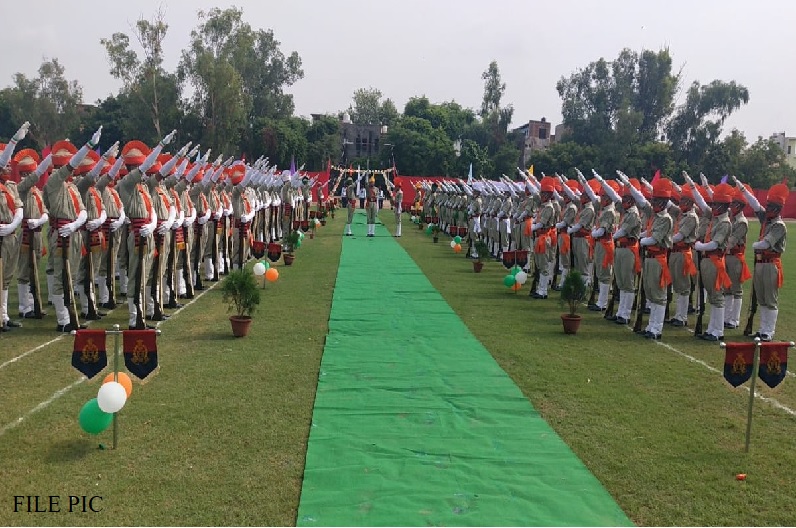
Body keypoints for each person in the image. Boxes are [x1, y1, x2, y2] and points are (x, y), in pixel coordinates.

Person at [738, 179, 788, 341]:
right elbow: (755, 205)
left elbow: (766, 243)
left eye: (771, 207)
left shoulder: (779, 225)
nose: (767, 209)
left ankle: (769, 331)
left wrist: (755, 245)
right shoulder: (767, 220)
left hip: (771, 264)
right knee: (761, 298)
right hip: (760, 263)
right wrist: (743, 190)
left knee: (770, 299)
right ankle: (762, 329)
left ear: (778, 209)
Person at [691, 180, 735, 342]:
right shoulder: (716, 218)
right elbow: (702, 204)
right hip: (707, 260)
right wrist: (692, 186)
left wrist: (699, 245)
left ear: (724, 207)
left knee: (717, 296)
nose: (714, 207)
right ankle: (712, 328)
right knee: (711, 296)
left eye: (717, 204)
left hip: (715, 260)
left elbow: (715, 243)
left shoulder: (724, 222)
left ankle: (718, 331)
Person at [638, 179, 674, 339]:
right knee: (650, 292)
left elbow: (655, 238)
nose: (653, 204)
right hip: (649, 257)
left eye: (656, 201)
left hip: (658, 257)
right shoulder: (656, 217)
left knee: (658, 295)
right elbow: (649, 233)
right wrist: (641, 236)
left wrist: (641, 240)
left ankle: (656, 328)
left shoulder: (665, 218)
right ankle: (651, 325)